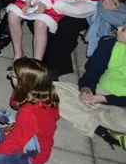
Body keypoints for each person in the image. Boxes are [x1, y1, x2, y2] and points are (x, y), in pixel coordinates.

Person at [54, 21, 126, 150]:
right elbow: (92, 72)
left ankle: (86, 115)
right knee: (48, 90)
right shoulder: (109, 44)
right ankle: (100, 129)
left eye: (124, 29)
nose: (119, 28)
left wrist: (107, 99)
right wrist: (86, 89)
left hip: (120, 104)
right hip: (99, 92)